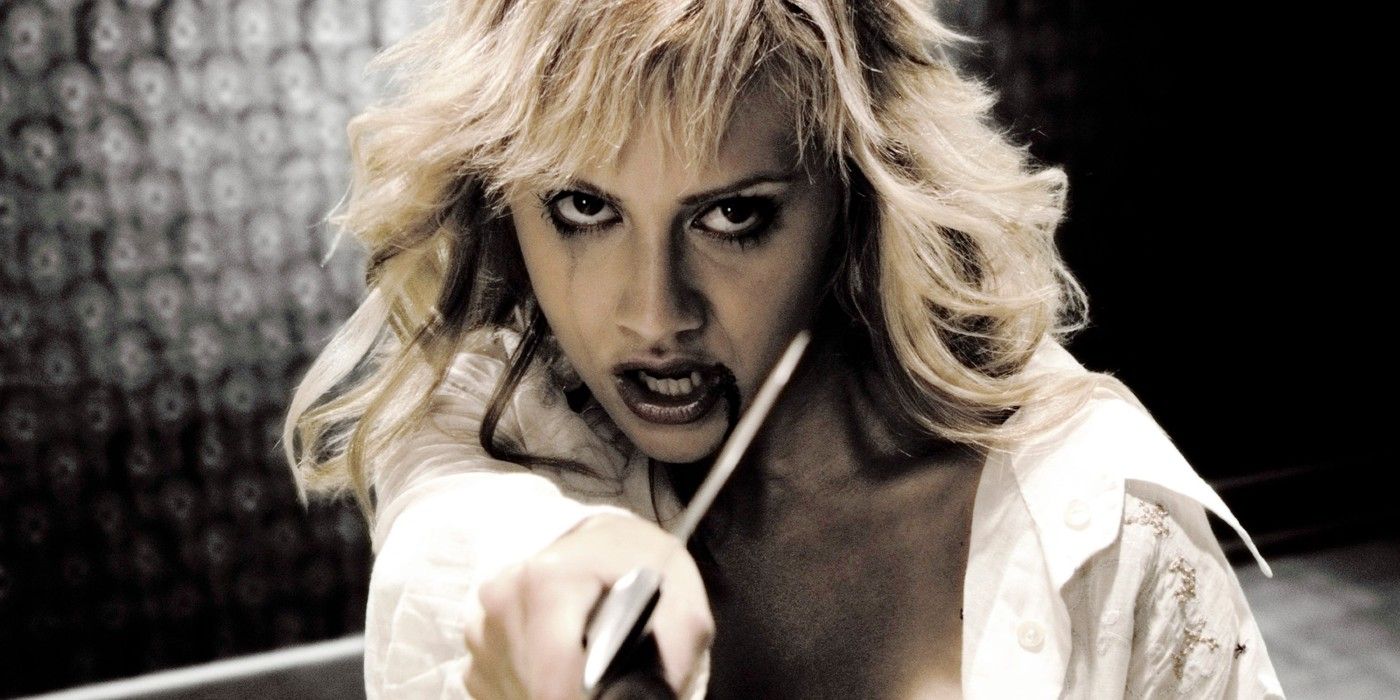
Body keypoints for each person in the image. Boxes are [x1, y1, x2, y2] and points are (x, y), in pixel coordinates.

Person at [283, 1, 1286, 698]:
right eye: (584, 207)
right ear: (504, 209)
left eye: (731, 216)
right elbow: (450, 525)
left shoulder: (1095, 524)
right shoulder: (498, 423)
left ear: (856, 195)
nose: (653, 316)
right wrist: (564, 564)